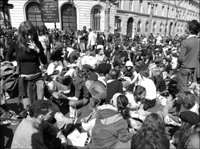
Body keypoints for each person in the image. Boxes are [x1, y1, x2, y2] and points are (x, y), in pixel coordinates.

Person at [5, 21, 47, 110]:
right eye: (26, 34)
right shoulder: (15, 43)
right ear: (21, 34)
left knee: (40, 106)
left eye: (31, 34)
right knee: (28, 107)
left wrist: (37, 50)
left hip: (38, 78)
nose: (29, 37)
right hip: (24, 80)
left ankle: (41, 123)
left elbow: (44, 61)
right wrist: (9, 68)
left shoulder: (37, 43)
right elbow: (8, 55)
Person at [177, 20, 200, 92]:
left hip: (185, 68)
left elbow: (181, 58)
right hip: (195, 70)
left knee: (183, 90)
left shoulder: (185, 42)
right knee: (191, 89)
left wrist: (178, 66)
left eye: (187, 27)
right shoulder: (198, 41)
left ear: (190, 30)